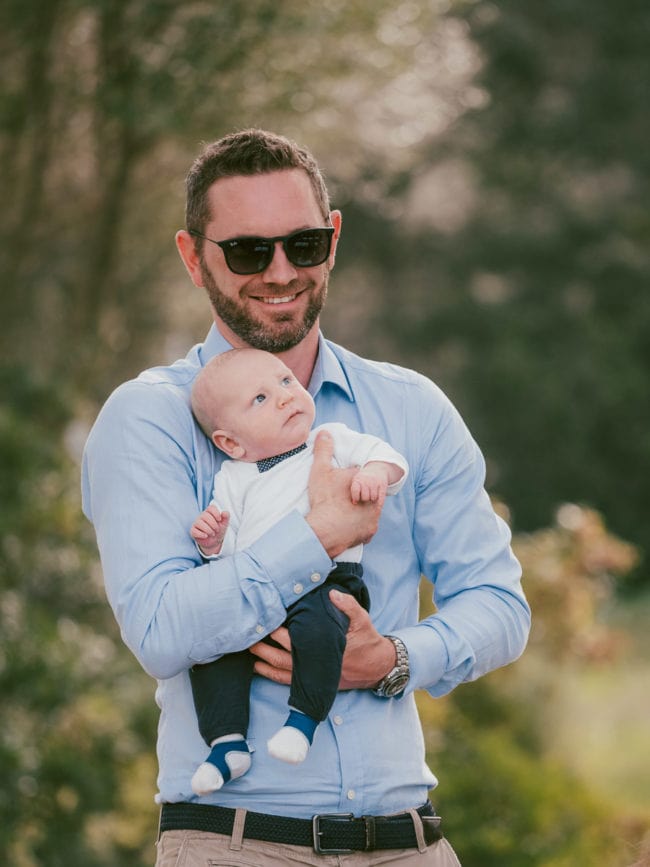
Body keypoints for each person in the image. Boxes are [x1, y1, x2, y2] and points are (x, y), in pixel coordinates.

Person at [81, 128, 531, 866]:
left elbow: (500, 604)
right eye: (249, 251)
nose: (281, 271)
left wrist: (393, 656)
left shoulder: (410, 408)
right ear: (194, 258)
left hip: (411, 841)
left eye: (304, 243)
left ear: (335, 238)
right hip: (239, 842)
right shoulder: (147, 418)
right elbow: (160, 628)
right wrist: (318, 534)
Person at [187, 346, 408, 796]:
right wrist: (213, 542)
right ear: (231, 443)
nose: (286, 397)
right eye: (261, 399)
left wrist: (374, 474)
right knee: (213, 652)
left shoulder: (328, 438)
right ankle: (226, 742)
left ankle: (303, 720)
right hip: (259, 596)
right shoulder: (233, 476)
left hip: (326, 581)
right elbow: (230, 549)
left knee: (323, 630)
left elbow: (388, 458)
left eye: (286, 382)